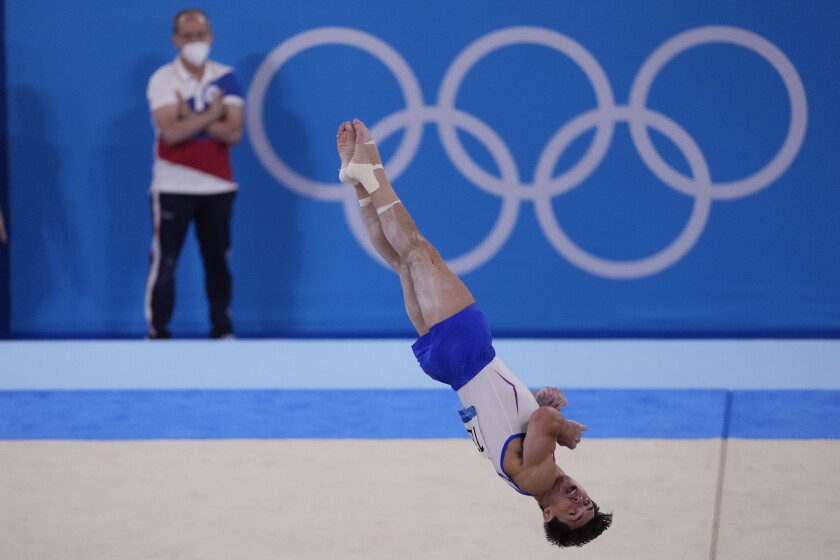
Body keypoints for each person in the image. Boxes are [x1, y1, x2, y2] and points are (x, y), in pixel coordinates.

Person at [336, 119, 612, 548]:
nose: (578, 499)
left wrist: (563, 426)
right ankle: (357, 180)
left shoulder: (540, 475)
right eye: (588, 503)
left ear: (547, 515)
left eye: (572, 513)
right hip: (449, 368)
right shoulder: (528, 475)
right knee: (403, 264)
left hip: (468, 352)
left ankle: (371, 173)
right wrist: (539, 402)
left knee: (417, 250)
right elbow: (517, 417)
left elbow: (541, 422)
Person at [144, 9, 243, 339]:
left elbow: (233, 132)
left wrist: (194, 116)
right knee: (166, 262)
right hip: (172, 184)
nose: (195, 42)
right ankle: (157, 331)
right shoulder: (163, 79)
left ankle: (222, 329)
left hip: (218, 186)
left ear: (211, 36)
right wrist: (214, 113)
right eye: (187, 36)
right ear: (175, 40)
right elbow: (170, 132)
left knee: (217, 261)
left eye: (200, 35)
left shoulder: (226, 76)